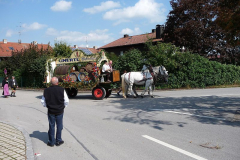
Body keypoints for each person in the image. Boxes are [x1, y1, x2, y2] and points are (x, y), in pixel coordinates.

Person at [41, 77, 69, 147]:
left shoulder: (46, 90)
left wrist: (47, 106)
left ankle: (51, 142)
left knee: (51, 126)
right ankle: (58, 140)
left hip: (51, 111)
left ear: (51, 83)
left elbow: (43, 101)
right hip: (59, 111)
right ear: (57, 82)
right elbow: (66, 101)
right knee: (59, 126)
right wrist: (63, 106)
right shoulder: (62, 90)